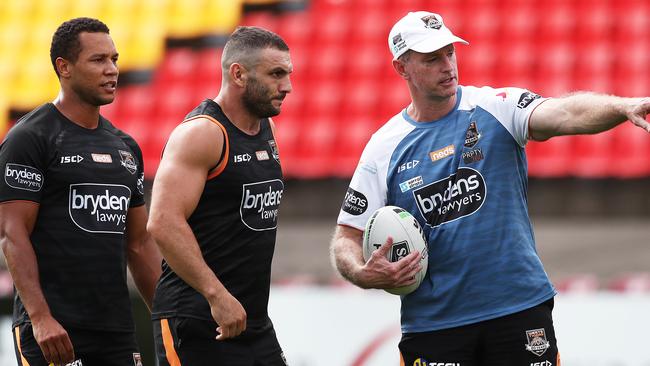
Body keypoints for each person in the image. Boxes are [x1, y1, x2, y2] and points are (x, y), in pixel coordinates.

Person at [331, 10, 650, 366]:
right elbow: (346, 237)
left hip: (519, 309)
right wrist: (361, 273)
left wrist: (621, 106)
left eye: (450, 52)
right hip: (434, 325)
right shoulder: (383, 148)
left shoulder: (497, 106)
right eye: (432, 58)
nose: (447, 65)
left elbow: (566, 113)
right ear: (402, 68)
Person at [0, 17, 162, 366]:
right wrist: (41, 318)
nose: (112, 70)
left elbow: (139, 243)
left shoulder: (125, 147)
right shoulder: (30, 138)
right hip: (52, 331)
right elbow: (12, 233)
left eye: (115, 60)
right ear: (65, 67)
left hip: (116, 331)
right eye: (98, 60)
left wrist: (169, 318)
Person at [147, 26, 292, 366]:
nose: (287, 86)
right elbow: (162, 222)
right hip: (198, 320)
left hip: (252, 321)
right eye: (276, 74)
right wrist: (217, 295)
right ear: (238, 74)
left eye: (287, 74)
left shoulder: (266, 129)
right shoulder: (203, 133)